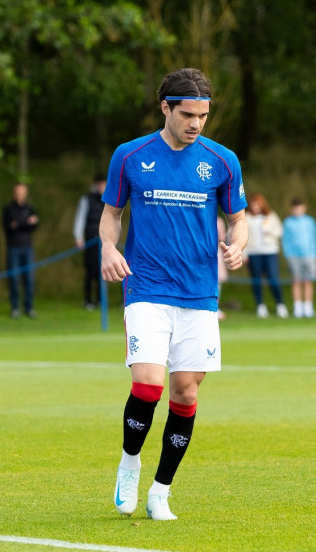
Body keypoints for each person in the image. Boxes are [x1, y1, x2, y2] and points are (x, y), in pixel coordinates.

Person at [100, 68, 248, 521]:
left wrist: (239, 244)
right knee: (148, 383)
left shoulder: (222, 161)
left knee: (184, 394)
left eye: (203, 115)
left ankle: (161, 490)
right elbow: (111, 215)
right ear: (165, 107)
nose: (196, 124)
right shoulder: (130, 156)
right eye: (187, 114)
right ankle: (129, 464)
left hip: (199, 295)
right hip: (146, 288)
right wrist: (108, 246)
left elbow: (238, 218)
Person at [244, 193, 288, 319]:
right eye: (253, 204)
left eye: (258, 204)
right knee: (256, 280)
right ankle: (260, 306)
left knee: (273, 279)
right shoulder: (246, 218)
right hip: (254, 253)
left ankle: (280, 305)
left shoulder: (271, 216)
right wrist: (244, 254)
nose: (256, 207)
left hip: (270, 251)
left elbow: (279, 231)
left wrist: (270, 232)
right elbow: (243, 237)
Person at [2, 183, 39, 319]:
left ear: (26, 193)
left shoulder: (30, 208)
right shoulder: (8, 209)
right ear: (14, 193)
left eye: (22, 192)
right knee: (14, 279)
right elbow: (9, 227)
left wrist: (19, 223)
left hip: (27, 248)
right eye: (17, 192)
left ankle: (29, 308)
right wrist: (26, 222)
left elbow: (34, 225)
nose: (19, 195)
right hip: (13, 248)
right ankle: (15, 308)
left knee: (29, 279)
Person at [73, 173, 107, 310]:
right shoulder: (86, 199)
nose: (103, 187)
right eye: (101, 184)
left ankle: (100, 300)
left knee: (102, 271)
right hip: (91, 240)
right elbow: (80, 218)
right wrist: (78, 237)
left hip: (104, 241)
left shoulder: (108, 198)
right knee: (90, 271)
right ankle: (88, 300)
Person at [282, 196, 316, 318]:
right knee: (296, 281)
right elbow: (285, 240)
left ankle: (308, 306)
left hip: (309, 255)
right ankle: (298, 307)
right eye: (295, 208)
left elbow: (314, 239)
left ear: (304, 208)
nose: (297, 210)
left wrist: (314, 254)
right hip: (294, 256)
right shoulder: (288, 222)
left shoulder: (310, 221)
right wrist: (288, 254)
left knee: (308, 281)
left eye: (299, 208)